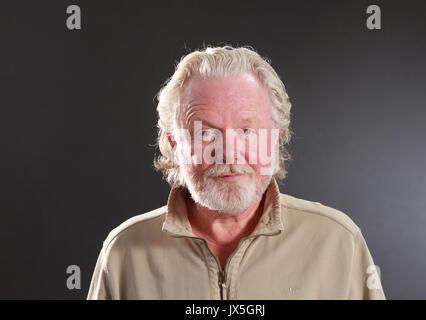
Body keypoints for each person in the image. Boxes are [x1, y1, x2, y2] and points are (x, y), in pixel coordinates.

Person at [87, 46, 386, 300]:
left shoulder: (338, 243)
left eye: (247, 130)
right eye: (205, 133)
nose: (229, 152)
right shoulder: (124, 252)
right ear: (173, 143)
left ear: (275, 137)